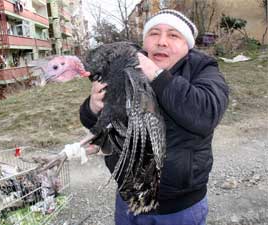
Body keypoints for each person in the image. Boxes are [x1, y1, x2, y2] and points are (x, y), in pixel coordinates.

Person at [79, 9, 229, 225]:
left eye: (173, 35)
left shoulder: (203, 69)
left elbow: (205, 115)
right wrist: (92, 107)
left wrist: (156, 75)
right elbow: (99, 122)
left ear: (187, 45)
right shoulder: (126, 67)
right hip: (128, 199)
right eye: (154, 33)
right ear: (145, 41)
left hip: (179, 207)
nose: (161, 42)